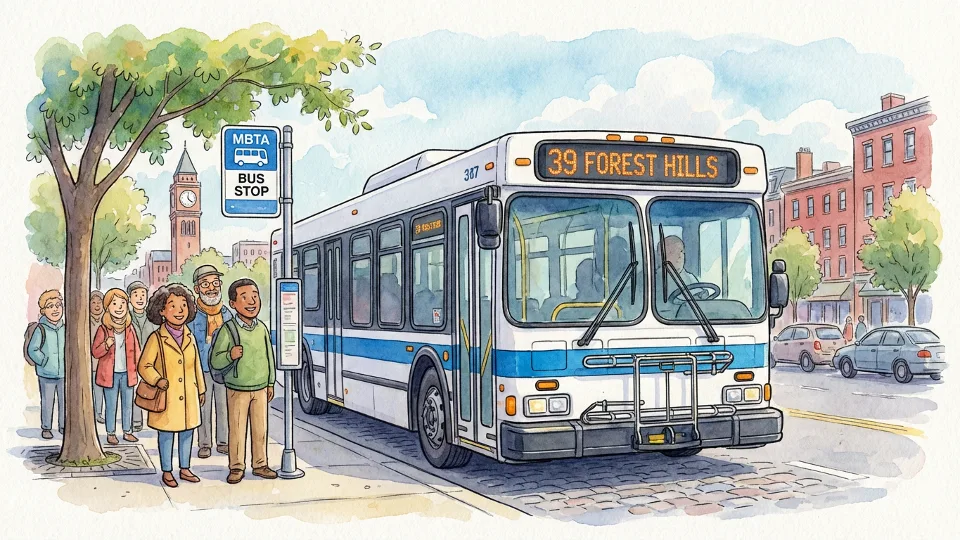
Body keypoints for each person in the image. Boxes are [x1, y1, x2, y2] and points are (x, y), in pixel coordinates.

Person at [211, 279, 277, 484]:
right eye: (245, 297)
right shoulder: (228, 329)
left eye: (255, 296)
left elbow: (269, 356)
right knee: (237, 429)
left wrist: (271, 382)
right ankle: (237, 467)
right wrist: (230, 355)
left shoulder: (262, 329)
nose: (252, 301)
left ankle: (260, 464)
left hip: (260, 388)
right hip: (237, 388)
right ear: (233, 304)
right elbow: (215, 358)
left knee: (260, 429)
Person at [139, 285, 206, 488]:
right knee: (166, 435)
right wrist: (157, 379)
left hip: (188, 395)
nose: (179, 310)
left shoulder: (190, 337)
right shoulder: (156, 338)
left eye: (183, 305)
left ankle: (185, 468)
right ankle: (167, 471)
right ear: (161, 311)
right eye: (173, 306)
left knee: (187, 433)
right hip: (167, 397)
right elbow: (144, 365)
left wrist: (201, 389)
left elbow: (196, 366)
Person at [188, 265, 232, 459]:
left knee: (223, 407)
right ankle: (204, 443)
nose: (211, 288)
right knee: (203, 408)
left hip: (223, 370)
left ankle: (223, 441)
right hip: (201, 369)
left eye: (215, 283)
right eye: (205, 284)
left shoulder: (227, 313)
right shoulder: (192, 315)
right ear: (197, 288)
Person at [92, 289, 141, 445]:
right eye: (114, 303)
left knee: (128, 404)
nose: (119, 307)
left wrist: (140, 369)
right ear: (108, 307)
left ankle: (127, 431)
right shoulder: (104, 329)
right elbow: (95, 351)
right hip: (110, 374)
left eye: (122, 304)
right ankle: (111, 432)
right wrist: (106, 345)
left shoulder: (130, 328)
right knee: (111, 405)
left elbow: (137, 350)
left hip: (128, 373)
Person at [27, 290, 66, 439]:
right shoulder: (40, 329)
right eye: (50, 306)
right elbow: (33, 349)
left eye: (58, 305)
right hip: (46, 373)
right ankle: (46, 427)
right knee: (47, 401)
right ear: (43, 311)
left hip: (63, 373)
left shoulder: (65, 327)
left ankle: (63, 425)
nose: (55, 309)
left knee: (64, 401)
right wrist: (43, 360)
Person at [127, 281, 157, 432]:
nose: (140, 298)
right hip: (132, 361)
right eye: (136, 295)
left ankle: (154, 417)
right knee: (134, 390)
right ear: (129, 298)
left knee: (153, 388)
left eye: (143, 295)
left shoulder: (152, 317)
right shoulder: (126, 318)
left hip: (151, 361)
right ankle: (136, 420)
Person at [90, 291, 106, 424]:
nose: (96, 305)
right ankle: (93, 413)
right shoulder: (85, 321)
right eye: (93, 302)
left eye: (99, 302)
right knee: (92, 389)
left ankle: (99, 413)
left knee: (101, 389)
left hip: (104, 362)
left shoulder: (107, 320)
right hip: (90, 362)